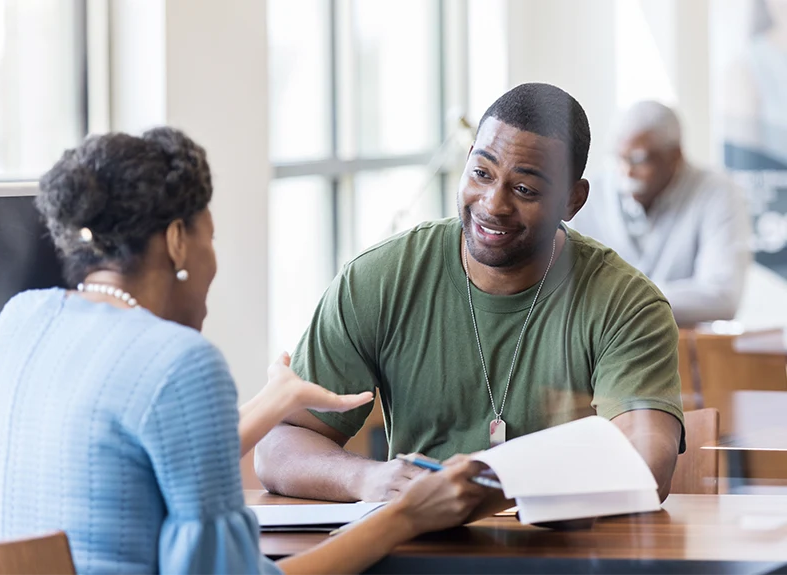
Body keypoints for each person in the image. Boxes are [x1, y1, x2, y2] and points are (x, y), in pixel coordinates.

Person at [0, 128, 490, 575]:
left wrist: (271, 402)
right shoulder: (179, 359)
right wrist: (405, 516)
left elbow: (126, 458)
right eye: (211, 237)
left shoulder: (20, 320)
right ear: (178, 241)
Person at [256, 83, 685, 507]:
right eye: (481, 173)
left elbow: (645, 465)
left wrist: (488, 482)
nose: (493, 204)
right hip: (412, 547)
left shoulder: (626, 303)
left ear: (573, 200)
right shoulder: (381, 278)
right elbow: (278, 445)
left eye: (525, 190)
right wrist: (367, 478)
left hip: (565, 551)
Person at [569, 101, 751, 327]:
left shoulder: (718, 192)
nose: (626, 171)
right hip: (598, 350)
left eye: (639, 159)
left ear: (675, 156)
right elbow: (567, 287)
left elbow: (723, 296)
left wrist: (617, 297)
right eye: (619, 158)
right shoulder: (589, 195)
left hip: (682, 353)